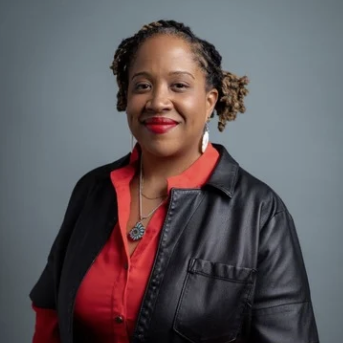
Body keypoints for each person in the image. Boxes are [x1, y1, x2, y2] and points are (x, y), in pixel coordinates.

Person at [30, 20, 319, 343]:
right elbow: (50, 313)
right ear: (125, 97)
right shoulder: (92, 191)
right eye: (142, 86)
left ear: (210, 101)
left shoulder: (260, 213)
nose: (157, 101)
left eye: (178, 85)